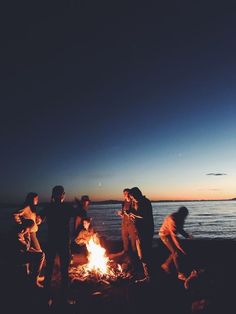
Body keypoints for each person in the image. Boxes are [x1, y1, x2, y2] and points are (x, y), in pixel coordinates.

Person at [39, 185, 81, 297]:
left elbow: (39, 219)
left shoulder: (49, 207)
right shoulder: (67, 207)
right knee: (64, 268)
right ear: (63, 195)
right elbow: (80, 213)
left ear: (53, 195)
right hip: (63, 240)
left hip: (52, 240)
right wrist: (80, 204)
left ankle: (47, 290)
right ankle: (64, 292)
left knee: (49, 266)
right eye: (62, 193)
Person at [159, 206, 192, 281]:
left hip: (170, 233)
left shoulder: (180, 217)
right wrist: (181, 248)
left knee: (174, 251)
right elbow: (174, 237)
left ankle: (166, 265)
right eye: (185, 215)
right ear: (181, 213)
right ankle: (180, 274)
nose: (185, 217)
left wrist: (187, 236)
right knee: (176, 252)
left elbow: (179, 229)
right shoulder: (173, 219)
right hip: (164, 235)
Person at [128, 187, 154, 283]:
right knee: (141, 255)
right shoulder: (134, 202)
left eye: (133, 196)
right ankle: (148, 275)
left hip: (146, 231)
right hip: (137, 231)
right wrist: (130, 215)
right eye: (131, 197)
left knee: (144, 254)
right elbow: (133, 213)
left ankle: (149, 277)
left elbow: (144, 215)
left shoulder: (146, 202)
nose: (132, 199)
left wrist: (132, 213)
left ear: (137, 194)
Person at [12, 219, 45, 288]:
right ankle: (34, 280)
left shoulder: (21, 230)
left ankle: (35, 276)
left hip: (20, 252)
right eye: (29, 229)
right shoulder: (20, 233)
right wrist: (27, 236)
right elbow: (25, 247)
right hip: (17, 256)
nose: (30, 230)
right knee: (40, 256)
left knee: (39, 252)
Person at [117, 188, 138, 255]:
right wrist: (121, 214)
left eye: (128, 193)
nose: (126, 195)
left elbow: (136, 214)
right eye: (125, 194)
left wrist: (130, 214)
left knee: (133, 240)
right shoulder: (123, 203)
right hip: (124, 224)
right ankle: (126, 253)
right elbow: (123, 214)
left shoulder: (133, 202)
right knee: (125, 239)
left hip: (132, 224)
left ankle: (135, 254)